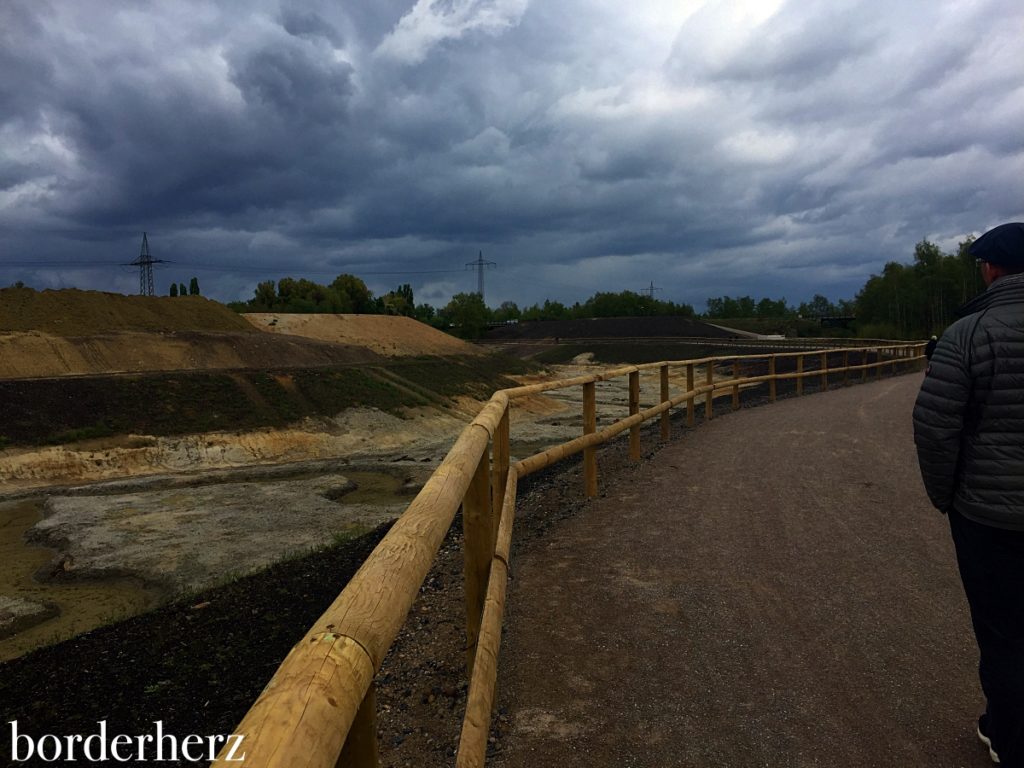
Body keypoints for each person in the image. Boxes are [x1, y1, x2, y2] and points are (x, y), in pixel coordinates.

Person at [913, 221, 1024, 767]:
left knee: (1003, 629)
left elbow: (936, 428)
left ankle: (1009, 735)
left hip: (989, 516)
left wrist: (947, 496)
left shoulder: (968, 333)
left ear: (992, 269)